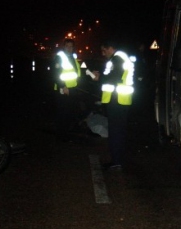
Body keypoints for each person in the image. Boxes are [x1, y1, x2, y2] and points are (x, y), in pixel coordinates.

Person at [98, 39, 135, 171]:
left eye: (104, 50)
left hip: (117, 100)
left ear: (110, 48)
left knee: (115, 132)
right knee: (118, 131)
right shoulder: (121, 58)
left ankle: (116, 161)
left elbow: (114, 78)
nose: (103, 53)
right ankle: (118, 160)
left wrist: (99, 77)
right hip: (120, 100)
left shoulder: (117, 59)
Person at [52, 38, 98, 142]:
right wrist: (63, 86)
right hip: (62, 90)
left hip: (72, 89)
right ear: (64, 47)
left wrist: (91, 74)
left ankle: (66, 134)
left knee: (69, 112)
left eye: (71, 46)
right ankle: (61, 137)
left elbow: (82, 67)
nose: (69, 48)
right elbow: (55, 74)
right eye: (67, 46)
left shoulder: (73, 58)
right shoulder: (60, 58)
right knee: (62, 113)